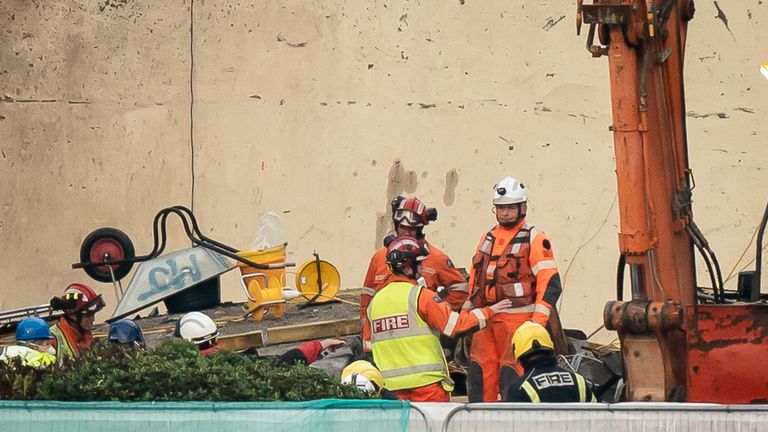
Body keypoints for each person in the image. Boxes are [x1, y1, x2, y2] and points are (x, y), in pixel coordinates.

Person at [367, 236, 513, 402]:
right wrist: (488, 312)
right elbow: (456, 326)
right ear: (408, 269)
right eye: (419, 265)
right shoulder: (420, 296)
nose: (422, 270)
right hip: (427, 386)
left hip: (391, 390)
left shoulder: (375, 303)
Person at [466, 176, 563, 402]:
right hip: (485, 319)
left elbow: (550, 282)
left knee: (513, 372)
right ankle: (479, 422)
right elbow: (475, 276)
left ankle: (512, 419)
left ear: (523, 207)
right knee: (480, 372)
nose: (505, 213)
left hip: (518, 321)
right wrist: (468, 309)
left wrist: (537, 322)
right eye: (501, 208)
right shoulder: (487, 237)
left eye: (510, 207)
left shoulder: (535, 238)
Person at [361, 196, 469, 351]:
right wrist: (367, 337)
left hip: (418, 340)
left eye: (412, 229)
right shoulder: (379, 257)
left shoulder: (436, 258)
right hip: (385, 338)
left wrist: (437, 310)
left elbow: (460, 289)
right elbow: (367, 298)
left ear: (420, 230)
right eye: (403, 228)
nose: (406, 233)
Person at [176, 311, 345, 364]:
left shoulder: (172, 376)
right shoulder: (238, 364)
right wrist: (321, 345)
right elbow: (283, 362)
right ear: (214, 339)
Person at [504, 322, 596, 403]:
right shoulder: (579, 381)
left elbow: (514, 422)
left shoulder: (520, 389)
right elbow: (598, 417)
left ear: (519, 357)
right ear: (551, 346)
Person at [49, 283, 106, 365]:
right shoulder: (52, 339)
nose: (93, 319)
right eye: (88, 315)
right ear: (73, 315)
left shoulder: (88, 336)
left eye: (93, 314)